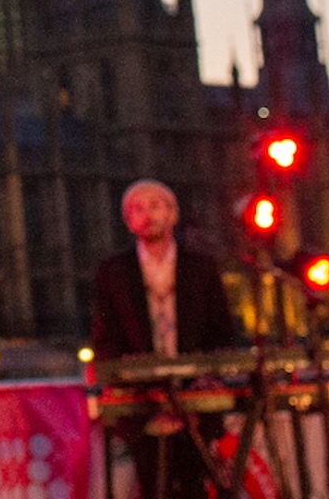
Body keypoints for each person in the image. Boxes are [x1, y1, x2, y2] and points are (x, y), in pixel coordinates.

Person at [91, 179, 234, 499]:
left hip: (195, 397)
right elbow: (105, 335)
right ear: (128, 221)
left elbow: (222, 330)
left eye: (156, 206)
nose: (148, 215)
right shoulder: (112, 272)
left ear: (173, 214)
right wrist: (135, 382)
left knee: (196, 483)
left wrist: (206, 377)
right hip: (144, 403)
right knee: (154, 484)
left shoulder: (201, 267)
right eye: (138, 209)